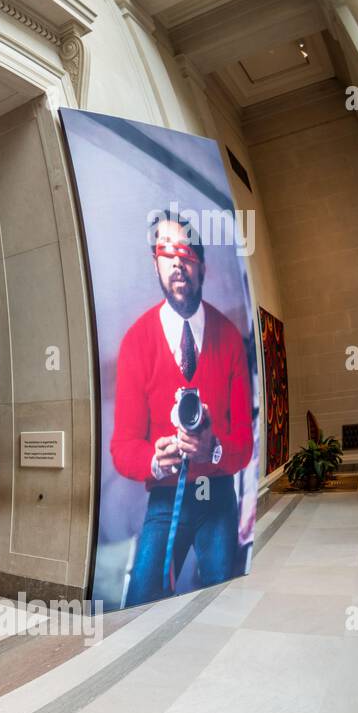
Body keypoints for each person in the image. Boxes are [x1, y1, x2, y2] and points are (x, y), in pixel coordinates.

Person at [110, 210, 254, 607]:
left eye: (187, 252)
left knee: (227, 596)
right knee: (138, 604)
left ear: (202, 265)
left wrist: (215, 450)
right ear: (154, 262)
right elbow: (123, 446)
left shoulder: (229, 339)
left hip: (219, 495)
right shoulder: (137, 342)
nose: (177, 262)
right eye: (166, 251)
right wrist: (155, 458)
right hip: (164, 496)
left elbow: (244, 438)